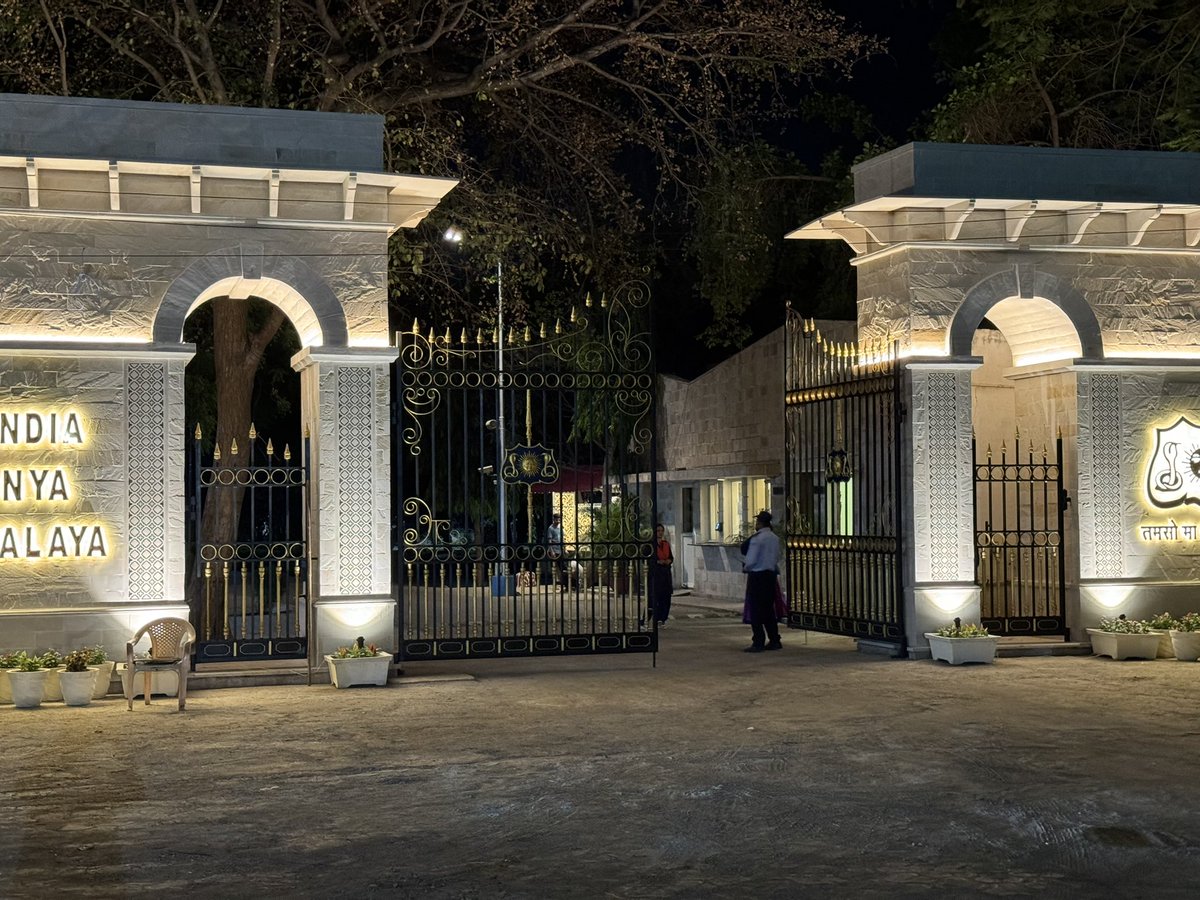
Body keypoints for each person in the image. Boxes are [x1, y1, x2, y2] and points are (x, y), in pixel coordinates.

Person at [742, 510, 782, 652]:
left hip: (757, 576)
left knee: (756, 610)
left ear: (759, 523)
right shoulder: (774, 538)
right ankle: (774, 639)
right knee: (768, 610)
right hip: (770, 576)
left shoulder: (757, 539)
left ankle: (758, 641)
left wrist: (746, 567)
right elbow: (777, 556)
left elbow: (751, 559)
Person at [648, 522, 674, 626]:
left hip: (666, 574)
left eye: (661, 531)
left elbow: (671, 557)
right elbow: (647, 560)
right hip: (656, 575)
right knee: (654, 599)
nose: (660, 533)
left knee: (666, 598)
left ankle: (662, 618)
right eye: (658, 531)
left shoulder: (666, 544)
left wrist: (669, 561)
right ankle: (646, 619)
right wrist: (657, 562)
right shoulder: (650, 545)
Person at [546, 513, 565, 590]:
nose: (558, 520)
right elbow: (549, 541)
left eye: (559, 519)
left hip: (560, 549)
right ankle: (555, 584)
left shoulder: (561, 528)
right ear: (553, 519)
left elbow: (563, 539)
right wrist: (551, 551)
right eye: (556, 519)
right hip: (554, 549)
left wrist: (565, 548)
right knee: (554, 568)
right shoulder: (551, 528)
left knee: (562, 567)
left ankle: (564, 583)